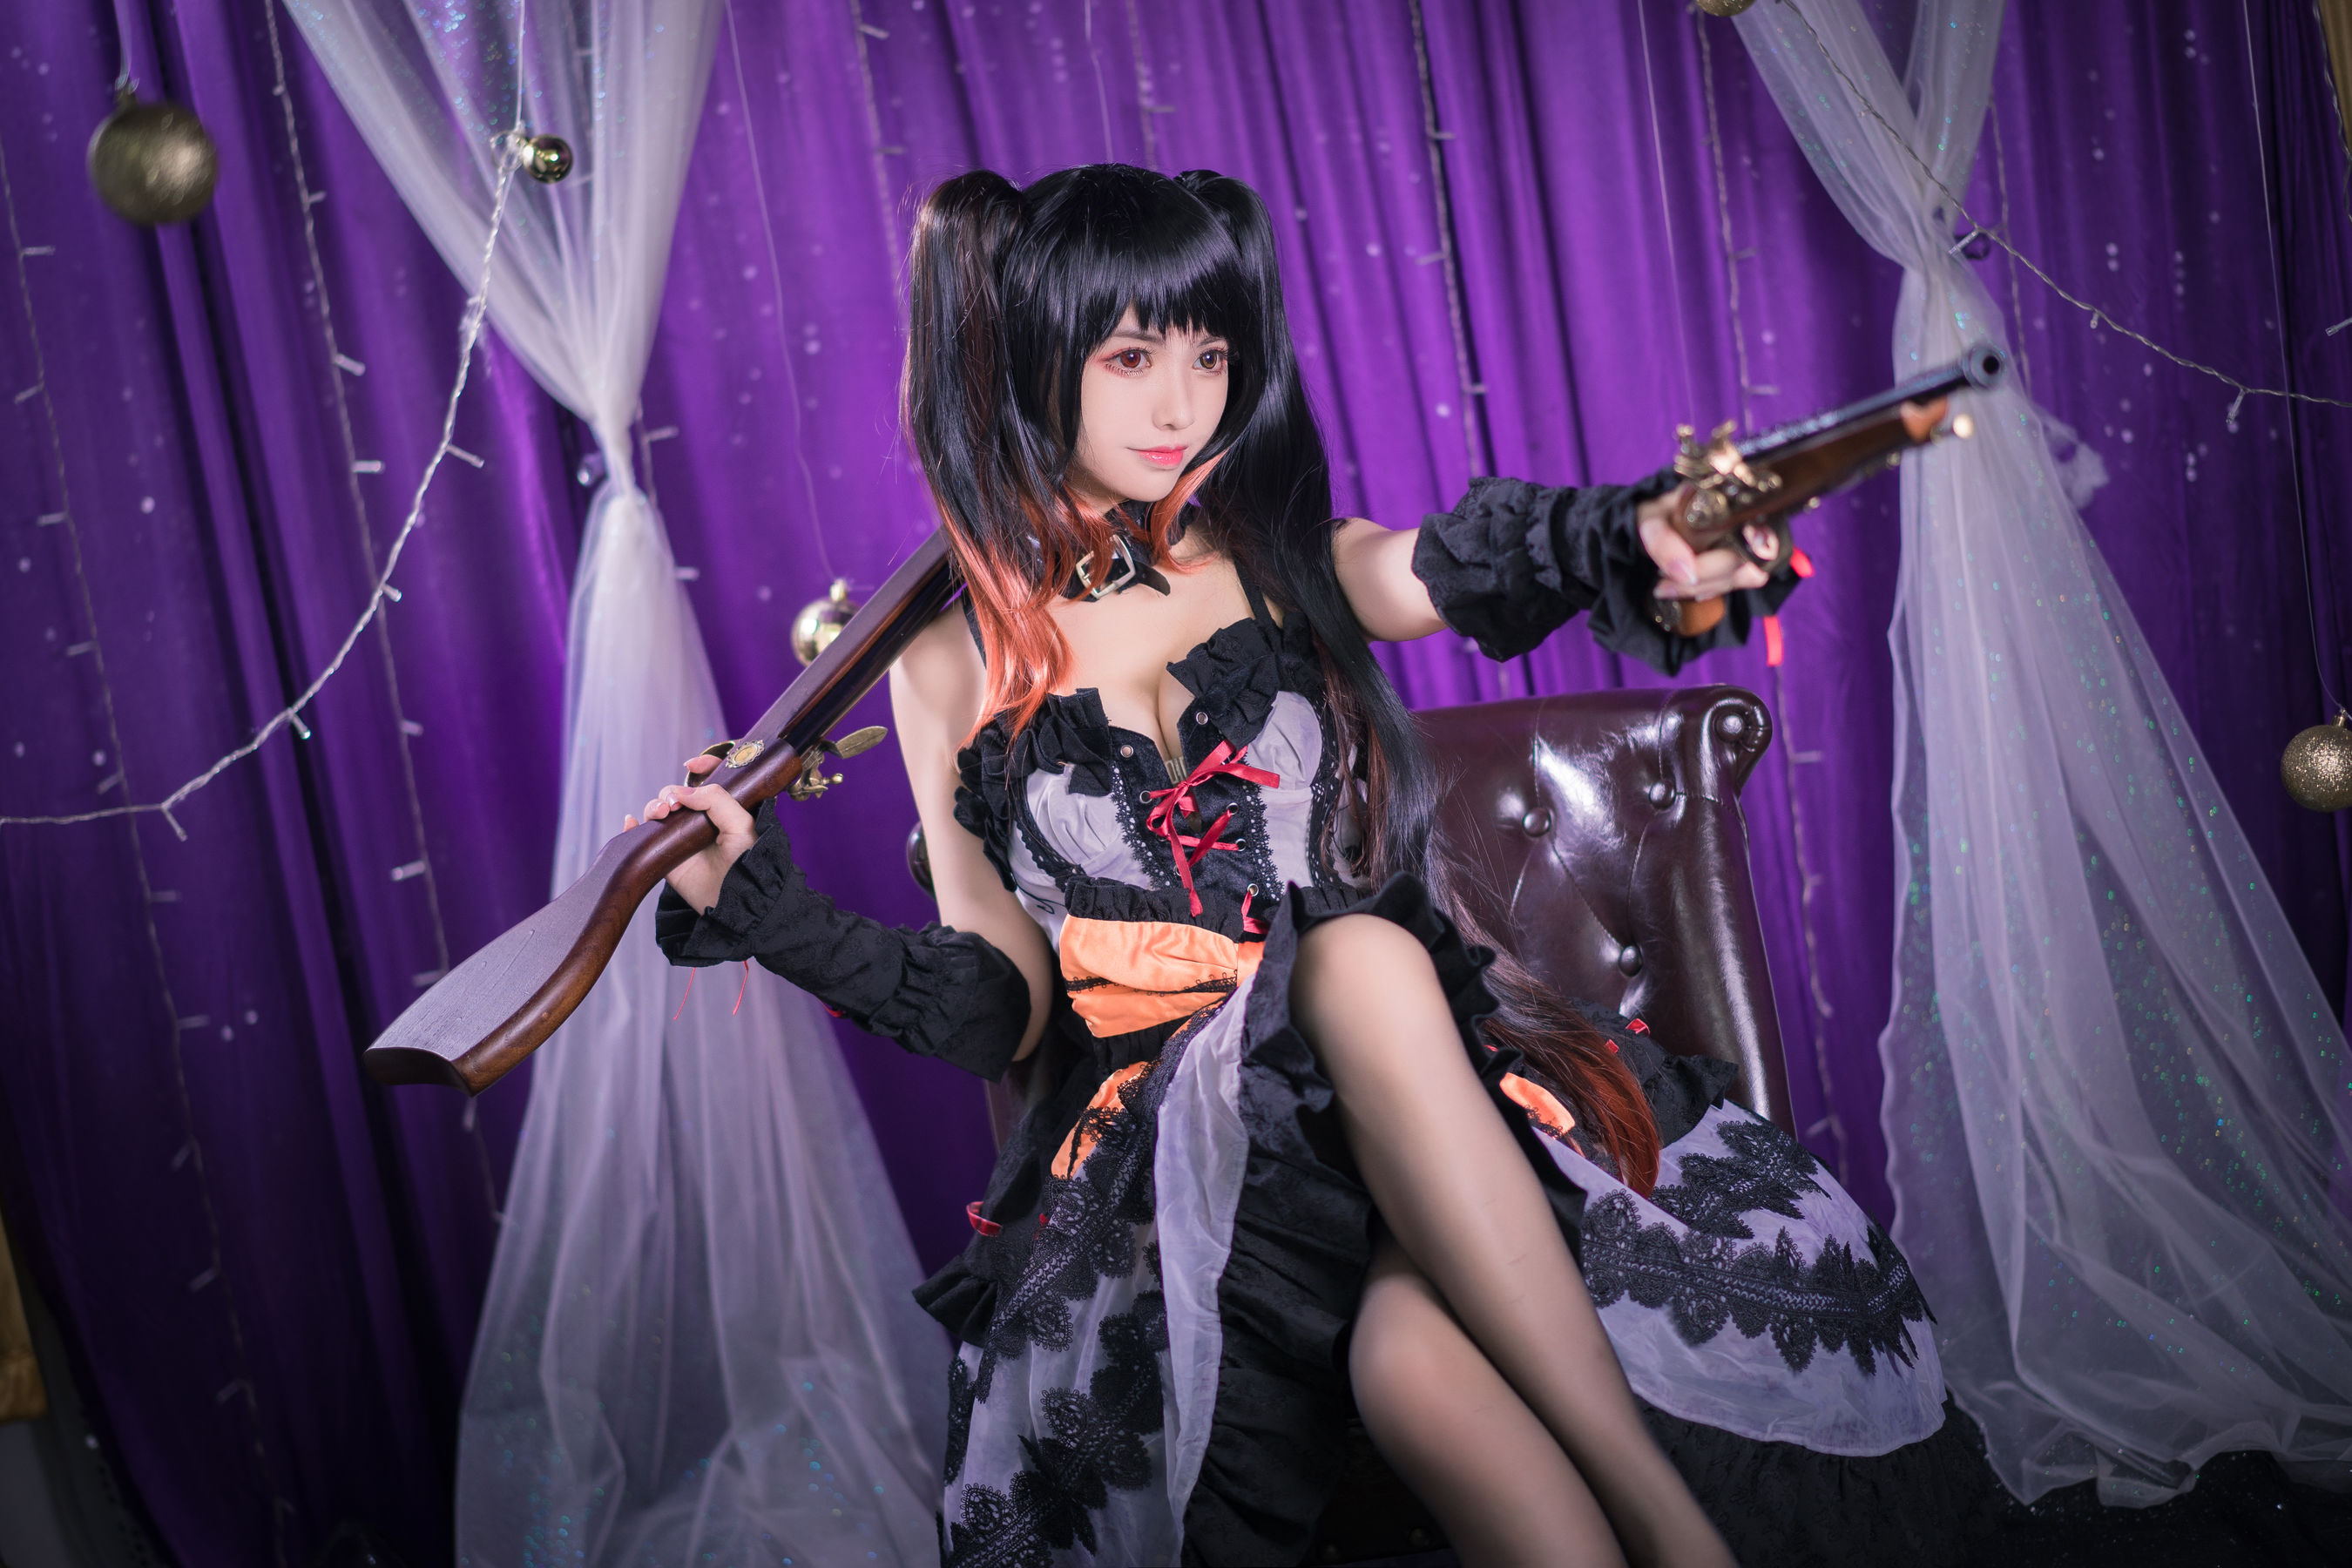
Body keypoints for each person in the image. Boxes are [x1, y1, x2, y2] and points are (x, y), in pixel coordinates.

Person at [628, 165, 1982, 1567]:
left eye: (1211, 356)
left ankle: (1667, 1533)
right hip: (1191, 1160)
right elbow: (1002, 1004)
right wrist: (768, 915)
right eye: (1132, 358)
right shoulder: (943, 660)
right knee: (1362, 974)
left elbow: (1445, 567)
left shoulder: (1278, 557)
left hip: (1420, 1086)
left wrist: (1633, 535)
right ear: (1032, 356)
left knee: (1405, 1323)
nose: (1182, 405)